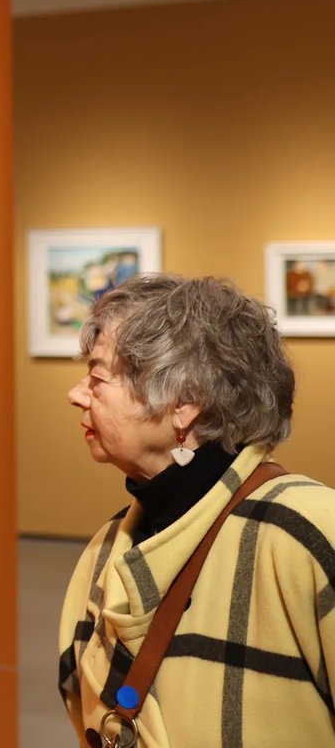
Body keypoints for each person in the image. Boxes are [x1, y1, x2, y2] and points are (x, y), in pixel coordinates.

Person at [59, 274, 335, 747]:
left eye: (98, 377)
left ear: (185, 404)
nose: (76, 394)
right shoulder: (105, 548)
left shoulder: (308, 533)